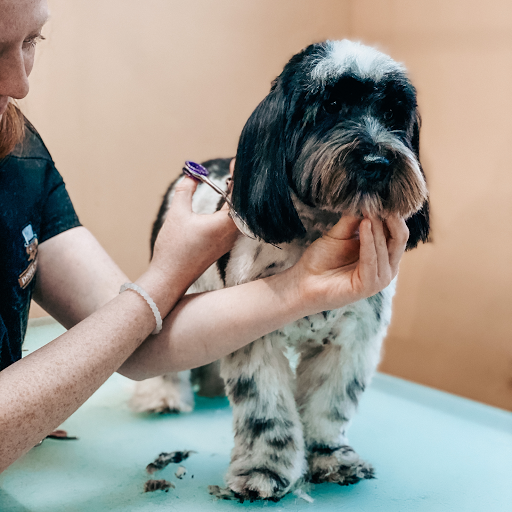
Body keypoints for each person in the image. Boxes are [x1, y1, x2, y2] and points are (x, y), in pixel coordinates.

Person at [0, 0, 409, 473]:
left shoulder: (21, 157)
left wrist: (300, 286)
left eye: (32, 41)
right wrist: (171, 276)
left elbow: (131, 346)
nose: (20, 84)